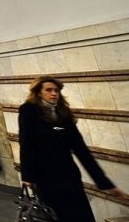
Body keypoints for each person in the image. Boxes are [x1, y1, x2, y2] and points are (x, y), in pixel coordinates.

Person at [19, 76, 128, 221]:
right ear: (39, 92)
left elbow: (81, 150)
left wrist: (104, 182)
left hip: (70, 177)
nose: (54, 93)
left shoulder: (64, 114)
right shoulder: (28, 111)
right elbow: (26, 144)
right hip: (46, 178)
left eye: (56, 90)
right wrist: (28, 176)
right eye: (49, 90)